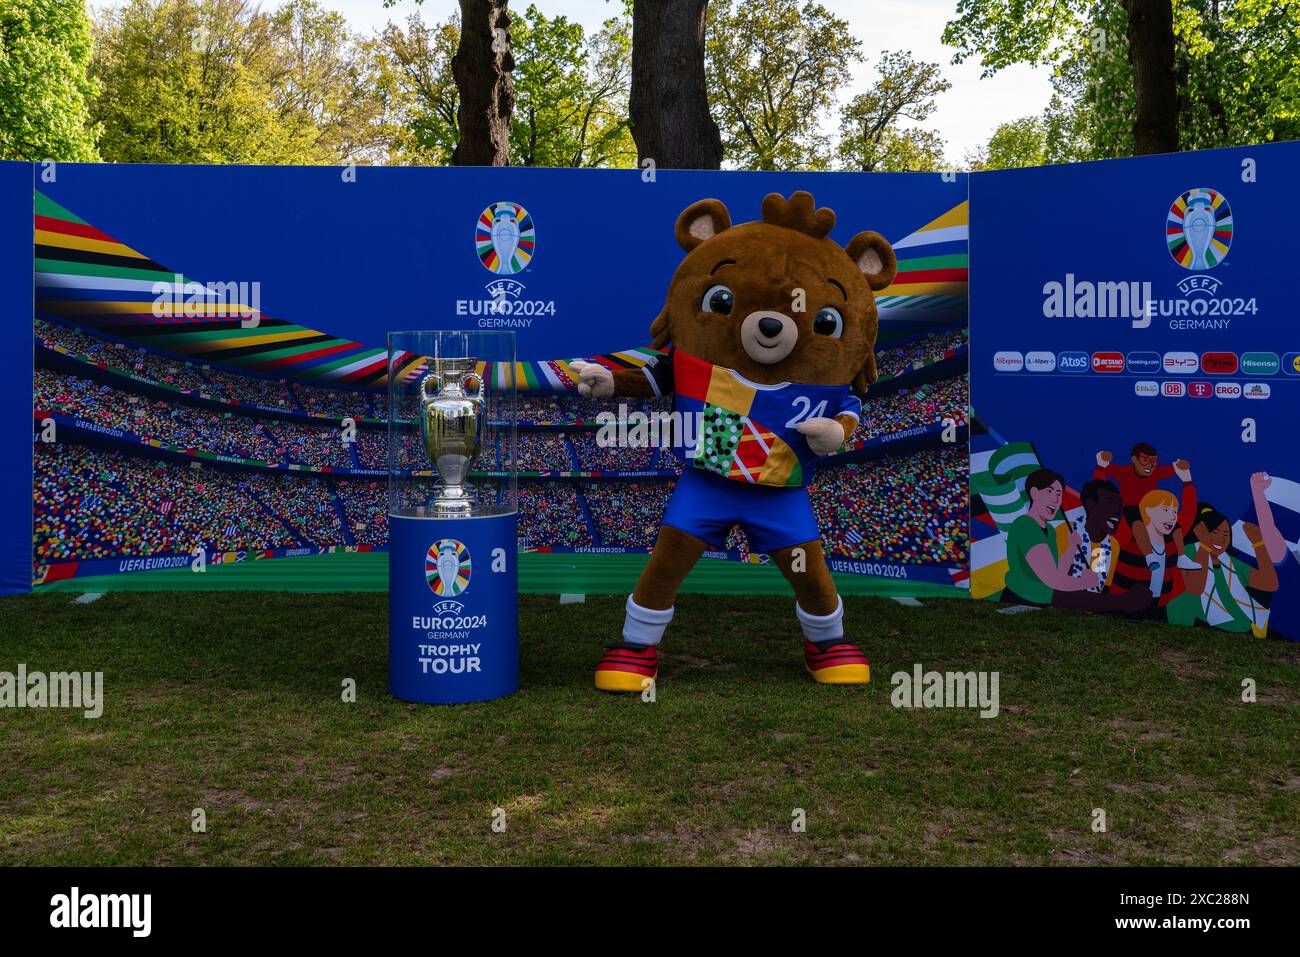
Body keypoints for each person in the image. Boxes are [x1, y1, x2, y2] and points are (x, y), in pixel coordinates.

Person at [1167, 506, 1279, 634]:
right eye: (1215, 532)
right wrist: (1204, 546)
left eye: (1226, 534)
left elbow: (1270, 584)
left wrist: (1259, 544)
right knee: (1182, 602)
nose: (1221, 539)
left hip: (1238, 623)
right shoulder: (1190, 551)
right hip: (1194, 613)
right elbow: (1194, 589)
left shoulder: (1231, 563)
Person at [1049, 478, 1149, 614]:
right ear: (1091, 504)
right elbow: (1058, 593)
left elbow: (1098, 588)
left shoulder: (1109, 546)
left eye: (1119, 505)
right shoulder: (1067, 532)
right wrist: (1123, 601)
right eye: (1109, 503)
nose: (1117, 510)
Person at [1002, 468, 1099, 606]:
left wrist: (1072, 548)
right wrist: (1084, 582)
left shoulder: (1050, 530)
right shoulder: (1026, 526)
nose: (1055, 499)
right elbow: (1052, 579)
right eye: (1049, 491)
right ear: (1034, 493)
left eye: (1059, 494)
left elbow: (1057, 572)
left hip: (1040, 601)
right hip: (1020, 599)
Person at [1110, 463, 1197, 610]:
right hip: (1125, 603)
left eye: (1174, 512)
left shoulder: (1171, 542)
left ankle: (1182, 558)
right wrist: (1101, 469)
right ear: (1148, 511)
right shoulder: (1130, 536)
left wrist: (1187, 482)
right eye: (1165, 510)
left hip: (1158, 605)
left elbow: (1188, 512)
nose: (1172, 516)